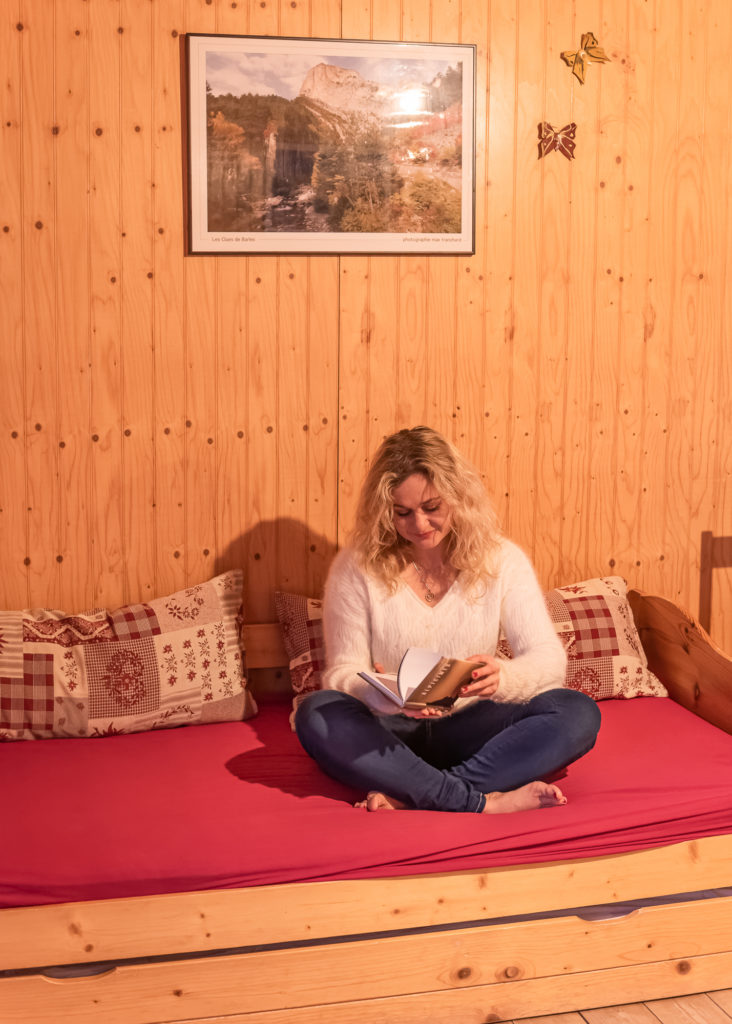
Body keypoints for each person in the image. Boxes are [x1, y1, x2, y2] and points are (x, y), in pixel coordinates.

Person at [295, 426, 601, 814]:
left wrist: (503, 678)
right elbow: (343, 673)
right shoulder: (356, 567)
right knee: (317, 712)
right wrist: (381, 695)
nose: (419, 525)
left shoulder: (502, 560)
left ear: (458, 498)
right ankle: (478, 801)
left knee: (576, 712)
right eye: (402, 513)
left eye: (432, 508)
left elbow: (548, 660)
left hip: (471, 726)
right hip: (391, 732)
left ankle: (421, 794)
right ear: (383, 511)